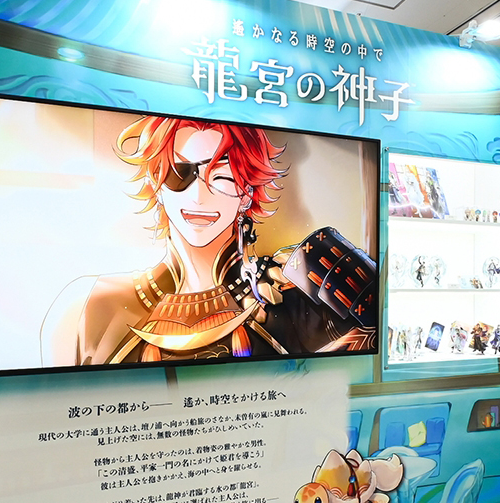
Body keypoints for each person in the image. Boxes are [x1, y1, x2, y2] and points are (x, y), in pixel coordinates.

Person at [72, 116, 377, 365]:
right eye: (180, 174)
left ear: (247, 193)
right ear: (156, 183)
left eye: (222, 177)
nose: (199, 196)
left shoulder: (298, 289)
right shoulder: (94, 304)